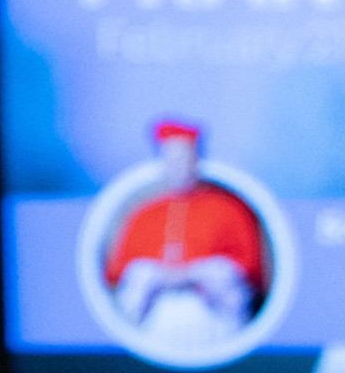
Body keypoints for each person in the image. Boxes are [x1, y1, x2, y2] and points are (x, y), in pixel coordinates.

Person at [100, 118, 267, 349]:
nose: (178, 165)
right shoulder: (144, 214)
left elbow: (246, 268)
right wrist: (161, 276)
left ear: (196, 159)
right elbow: (121, 271)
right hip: (156, 315)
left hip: (209, 313)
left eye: (184, 157)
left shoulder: (229, 210)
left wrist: (195, 274)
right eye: (171, 158)